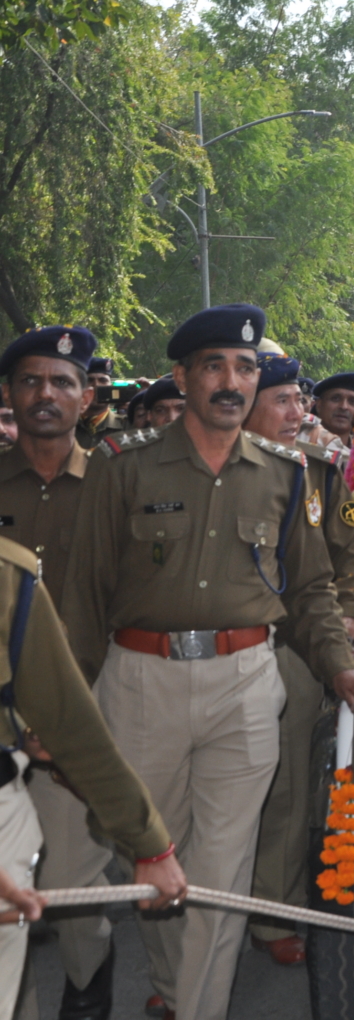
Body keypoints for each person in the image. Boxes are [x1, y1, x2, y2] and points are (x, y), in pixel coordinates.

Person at [60, 304, 354, 1020]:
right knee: (157, 855)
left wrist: (338, 667)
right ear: (184, 376)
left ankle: (197, 1008)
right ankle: (176, 989)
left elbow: (311, 589)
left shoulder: (287, 472)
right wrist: (69, 709)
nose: (232, 382)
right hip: (140, 681)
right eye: (214, 367)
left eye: (244, 368)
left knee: (223, 868)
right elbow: (82, 594)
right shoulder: (122, 466)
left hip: (245, 684)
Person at [0, 533, 187, 1020]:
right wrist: (151, 844)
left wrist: (147, 840)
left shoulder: (7, 577)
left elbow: (69, 724)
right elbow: (72, 726)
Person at [0, 327, 118, 1018]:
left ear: (87, 396)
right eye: (31, 381)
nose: (46, 394)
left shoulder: (120, 482)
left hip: (88, 708)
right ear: (10, 393)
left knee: (74, 883)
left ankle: (89, 987)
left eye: (62, 382)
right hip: (4, 721)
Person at [242, 353, 354, 967]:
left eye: (301, 399)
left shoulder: (321, 472)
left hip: (294, 647)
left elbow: (352, 552)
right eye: (284, 400)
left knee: (289, 784)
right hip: (215, 644)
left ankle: (273, 909)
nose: (301, 413)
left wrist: (346, 614)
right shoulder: (212, 467)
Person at [312, 372, 354, 446]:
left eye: (353, 402)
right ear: (319, 405)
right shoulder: (300, 441)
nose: (344, 407)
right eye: (336, 399)